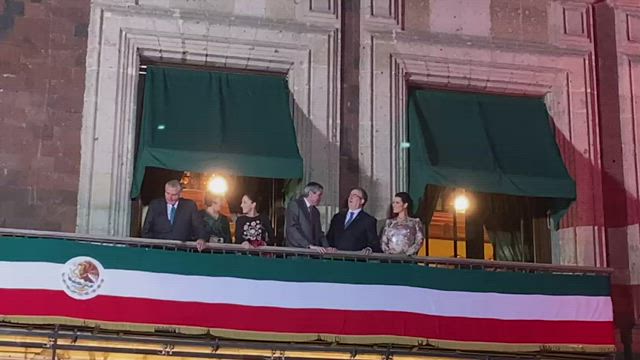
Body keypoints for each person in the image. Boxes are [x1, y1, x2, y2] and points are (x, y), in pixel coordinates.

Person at [142, 179, 207, 250]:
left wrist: (201, 238)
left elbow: (198, 226)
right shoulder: (155, 205)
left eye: (174, 195)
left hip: (182, 251)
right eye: (167, 193)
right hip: (158, 250)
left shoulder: (189, 206)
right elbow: (146, 230)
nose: (170, 198)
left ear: (180, 194)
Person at [326, 187, 380, 254]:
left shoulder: (368, 220)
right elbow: (329, 237)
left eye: (354, 196)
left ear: (362, 201)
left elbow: (373, 243)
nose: (350, 197)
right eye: (350, 195)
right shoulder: (337, 217)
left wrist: (369, 249)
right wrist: (329, 247)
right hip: (336, 258)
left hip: (355, 260)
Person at [285, 182, 335, 253]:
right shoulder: (295, 205)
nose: (320, 198)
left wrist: (327, 247)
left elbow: (319, 233)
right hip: (297, 253)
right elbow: (292, 229)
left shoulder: (315, 211)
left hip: (312, 255)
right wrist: (308, 245)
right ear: (311, 194)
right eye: (319, 195)